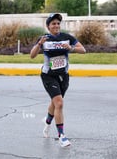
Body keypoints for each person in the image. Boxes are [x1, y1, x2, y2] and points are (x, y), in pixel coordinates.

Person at [30, 13, 86, 147]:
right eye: (53, 23)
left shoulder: (67, 38)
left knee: (56, 103)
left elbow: (83, 50)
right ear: (48, 26)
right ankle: (62, 136)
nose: (56, 25)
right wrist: (39, 44)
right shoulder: (44, 39)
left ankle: (47, 121)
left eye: (58, 23)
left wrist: (71, 48)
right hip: (48, 75)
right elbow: (32, 55)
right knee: (59, 103)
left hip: (63, 76)